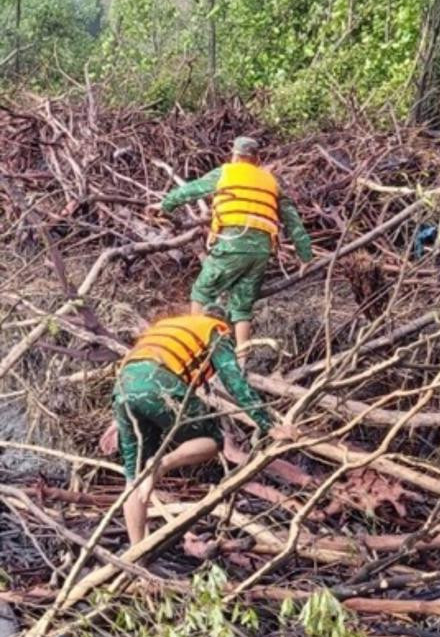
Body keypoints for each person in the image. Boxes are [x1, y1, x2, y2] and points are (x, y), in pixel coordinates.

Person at [98, 307, 293, 544]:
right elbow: (235, 382)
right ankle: (161, 463)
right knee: (214, 441)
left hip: (123, 389)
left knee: (134, 478)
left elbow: (137, 374)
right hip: (160, 382)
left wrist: (117, 421)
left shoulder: (168, 327)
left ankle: (136, 554)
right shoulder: (215, 331)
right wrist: (269, 424)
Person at [147, 136, 313, 350]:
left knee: (202, 292)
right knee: (242, 307)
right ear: (257, 159)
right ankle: (242, 357)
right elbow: (292, 219)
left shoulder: (225, 173)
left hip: (231, 245)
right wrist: (305, 255)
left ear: (234, 155)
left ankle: (196, 347)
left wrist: (166, 205)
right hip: (261, 252)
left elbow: (191, 190)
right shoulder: (271, 181)